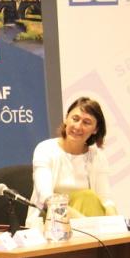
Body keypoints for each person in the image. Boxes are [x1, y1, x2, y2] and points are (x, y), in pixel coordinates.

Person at [26, 96, 116, 224]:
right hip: (50, 221)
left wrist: (115, 222)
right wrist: (85, 223)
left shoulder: (97, 156)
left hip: (88, 224)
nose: (78, 126)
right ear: (66, 119)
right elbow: (46, 198)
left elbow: (105, 199)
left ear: (95, 129)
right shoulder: (45, 149)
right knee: (87, 197)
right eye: (75, 119)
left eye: (86, 122)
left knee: (90, 199)